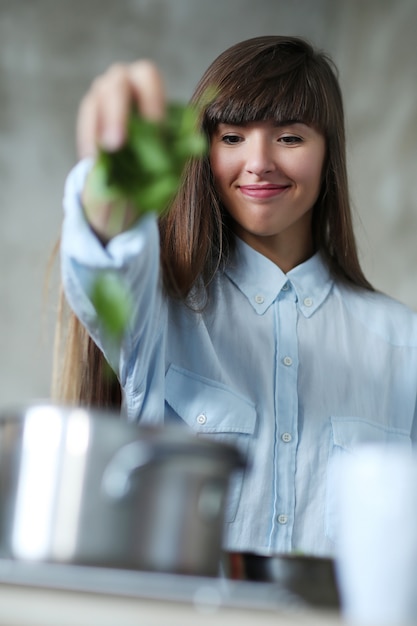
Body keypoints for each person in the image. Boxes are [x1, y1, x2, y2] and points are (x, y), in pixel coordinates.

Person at [56, 35, 417, 558]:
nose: (258, 162)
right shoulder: (157, 310)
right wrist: (109, 184)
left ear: (329, 153)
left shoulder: (404, 345)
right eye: (232, 138)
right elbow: (102, 264)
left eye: (289, 138)